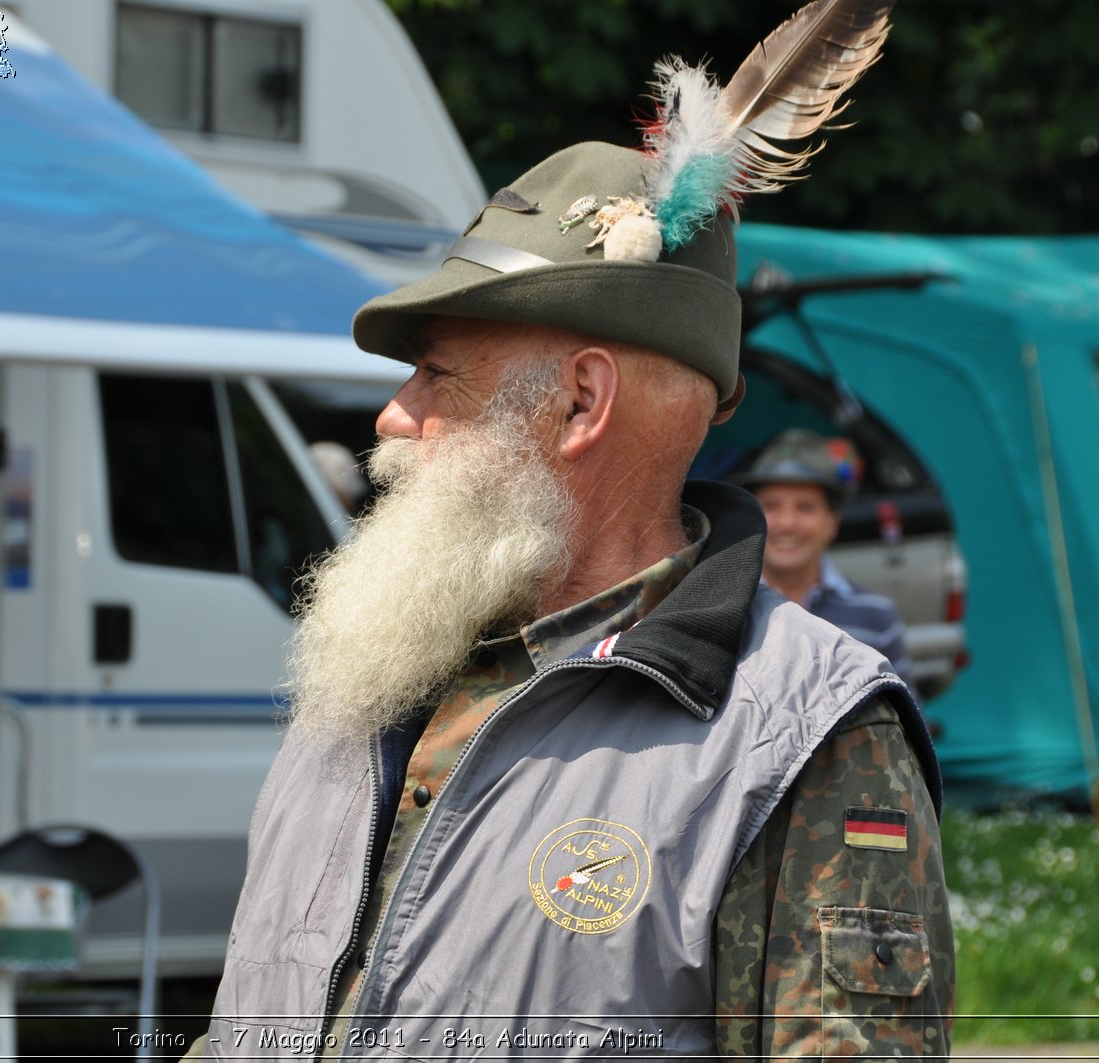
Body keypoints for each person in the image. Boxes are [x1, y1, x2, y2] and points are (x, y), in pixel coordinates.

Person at [191, 4, 953, 1058]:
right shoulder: (369, 677)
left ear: (578, 403)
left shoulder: (798, 733)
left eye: (437, 377)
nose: (391, 414)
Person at [735, 428, 915, 689]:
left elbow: (905, 719)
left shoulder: (875, 616)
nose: (787, 523)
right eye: (771, 506)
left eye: (806, 507)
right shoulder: (727, 609)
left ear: (833, 522)